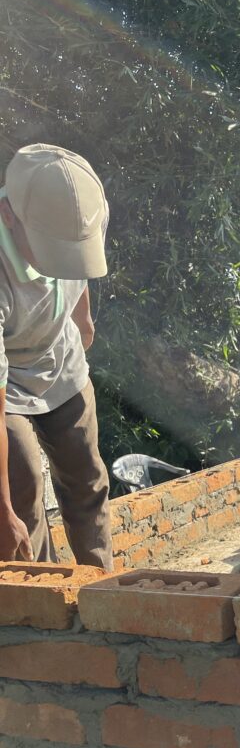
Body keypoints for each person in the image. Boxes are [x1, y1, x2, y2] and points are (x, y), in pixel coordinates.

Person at [0, 144, 112, 568]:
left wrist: (82, 320)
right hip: (8, 385)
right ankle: (44, 601)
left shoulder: (83, 207)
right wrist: (2, 510)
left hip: (62, 361)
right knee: (23, 485)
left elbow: (81, 265)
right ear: (9, 216)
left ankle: (101, 589)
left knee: (88, 479)